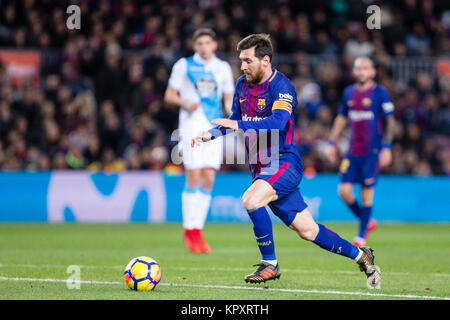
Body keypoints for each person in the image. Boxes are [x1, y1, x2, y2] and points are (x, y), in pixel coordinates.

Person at [191, 34, 380, 287]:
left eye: (247, 61)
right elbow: (233, 119)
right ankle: (361, 255)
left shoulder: (282, 86)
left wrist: (236, 123)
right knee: (308, 230)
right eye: (241, 61)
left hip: (283, 162)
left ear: (265, 60)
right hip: (260, 166)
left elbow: (277, 122)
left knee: (251, 199)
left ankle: (270, 264)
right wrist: (210, 135)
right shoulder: (241, 85)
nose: (243, 66)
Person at [165, 28, 234, 254]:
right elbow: (169, 95)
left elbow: (229, 98)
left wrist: (233, 119)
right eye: (200, 43)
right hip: (191, 125)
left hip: (213, 126)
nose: (204, 47)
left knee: (209, 178)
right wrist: (185, 103)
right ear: (195, 46)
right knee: (193, 175)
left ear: (214, 45)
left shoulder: (222, 68)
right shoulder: (183, 65)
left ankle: (199, 231)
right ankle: (189, 231)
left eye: (208, 43)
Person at [326, 57, 395, 247]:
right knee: (344, 191)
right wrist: (332, 142)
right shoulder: (349, 93)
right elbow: (341, 118)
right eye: (358, 68)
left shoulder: (380, 93)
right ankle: (367, 221)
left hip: (372, 151)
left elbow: (390, 122)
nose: (361, 71)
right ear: (354, 71)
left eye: (365, 68)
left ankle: (361, 236)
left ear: (372, 71)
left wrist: (387, 147)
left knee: (366, 192)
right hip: (352, 150)